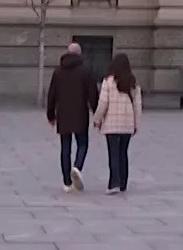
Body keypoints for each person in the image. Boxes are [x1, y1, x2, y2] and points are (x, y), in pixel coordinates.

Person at [45, 42, 96, 193]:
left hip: (63, 114)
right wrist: (97, 112)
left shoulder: (58, 72)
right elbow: (92, 94)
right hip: (80, 114)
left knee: (65, 148)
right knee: (82, 144)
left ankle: (67, 182)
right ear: (80, 54)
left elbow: (52, 95)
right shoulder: (86, 72)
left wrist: (50, 115)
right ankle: (77, 166)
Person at [91, 53, 140, 195]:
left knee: (113, 153)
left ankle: (114, 183)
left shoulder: (108, 82)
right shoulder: (133, 83)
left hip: (112, 123)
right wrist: (136, 123)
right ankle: (123, 183)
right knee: (123, 153)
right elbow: (137, 105)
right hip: (127, 124)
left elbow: (103, 103)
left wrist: (97, 119)